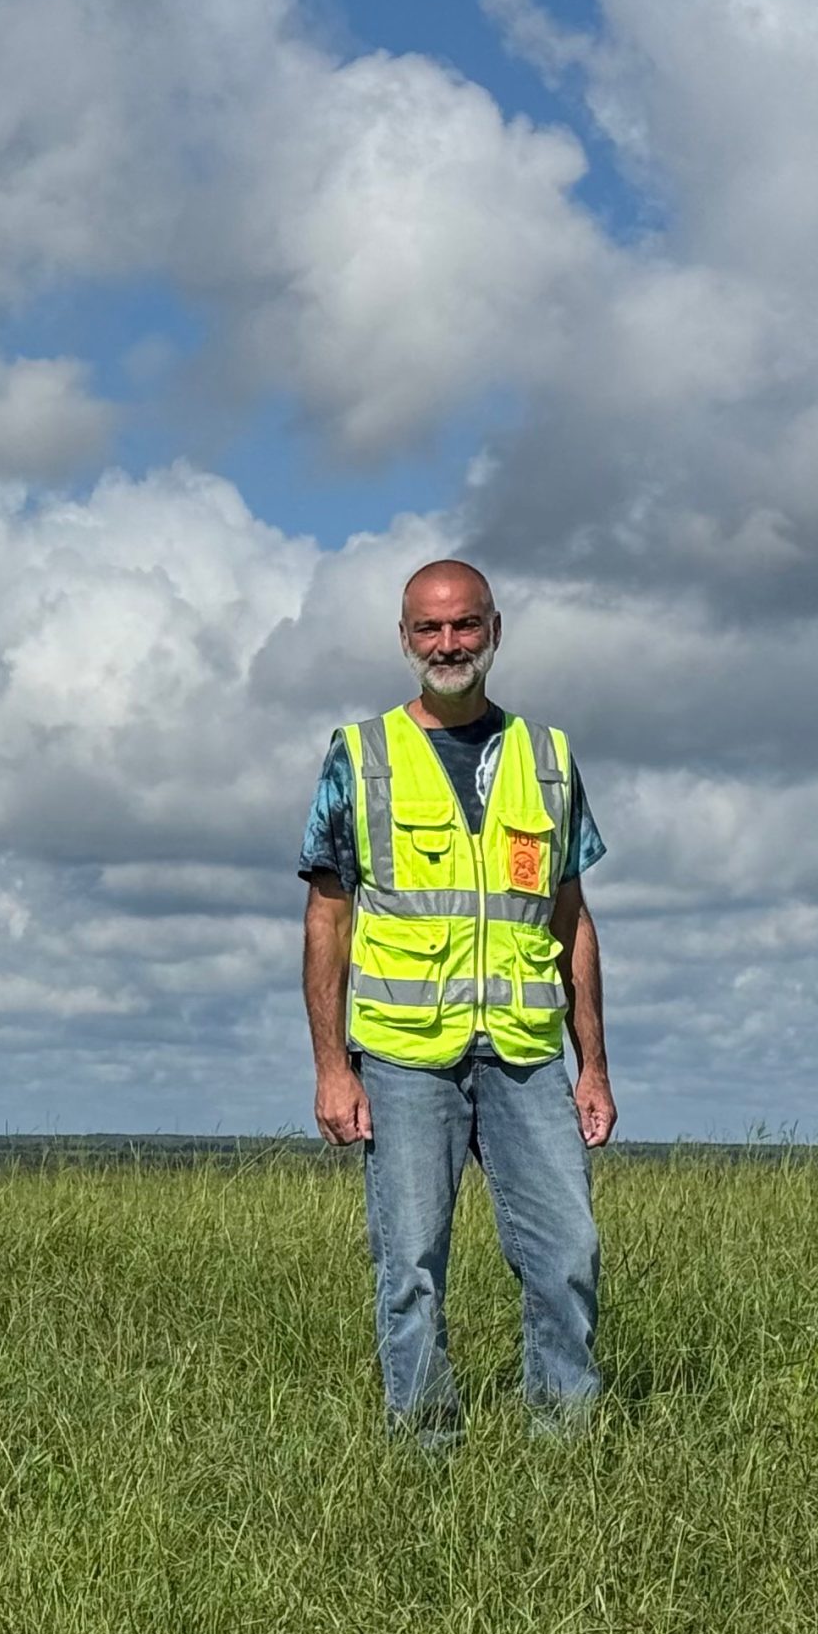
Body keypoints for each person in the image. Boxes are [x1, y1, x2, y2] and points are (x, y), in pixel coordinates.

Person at [299, 560, 614, 1441]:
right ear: (405, 640)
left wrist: (594, 1066)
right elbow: (328, 920)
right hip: (404, 1056)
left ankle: (564, 1443)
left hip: (523, 1052)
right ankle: (427, 1452)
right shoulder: (359, 757)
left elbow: (571, 919)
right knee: (410, 1266)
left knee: (568, 1255)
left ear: (495, 631)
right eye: (430, 629)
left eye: (465, 626)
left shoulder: (548, 759)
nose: (449, 644)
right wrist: (332, 1068)